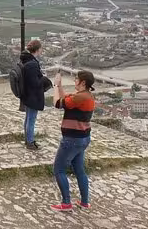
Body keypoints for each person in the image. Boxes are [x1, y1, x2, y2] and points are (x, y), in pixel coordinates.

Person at [51, 69, 96, 212]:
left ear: (83, 82)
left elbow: (58, 103)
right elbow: (66, 100)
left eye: (76, 79)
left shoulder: (80, 97)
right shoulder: (86, 95)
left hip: (72, 139)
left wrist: (55, 86)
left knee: (58, 169)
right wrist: (60, 86)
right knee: (79, 170)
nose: (75, 81)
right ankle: (84, 202)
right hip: (83, 138)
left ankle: (66, 203)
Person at [19, 40, 51, 150]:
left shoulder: (26, 60)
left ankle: (28, 139)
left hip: (27, 94)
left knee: (28, 118)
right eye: (41, 48)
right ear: (37, 50)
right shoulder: (32, 64)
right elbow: (35, 83)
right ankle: (30, 142)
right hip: (32, 95)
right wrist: (43, 79)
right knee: (31, 120)